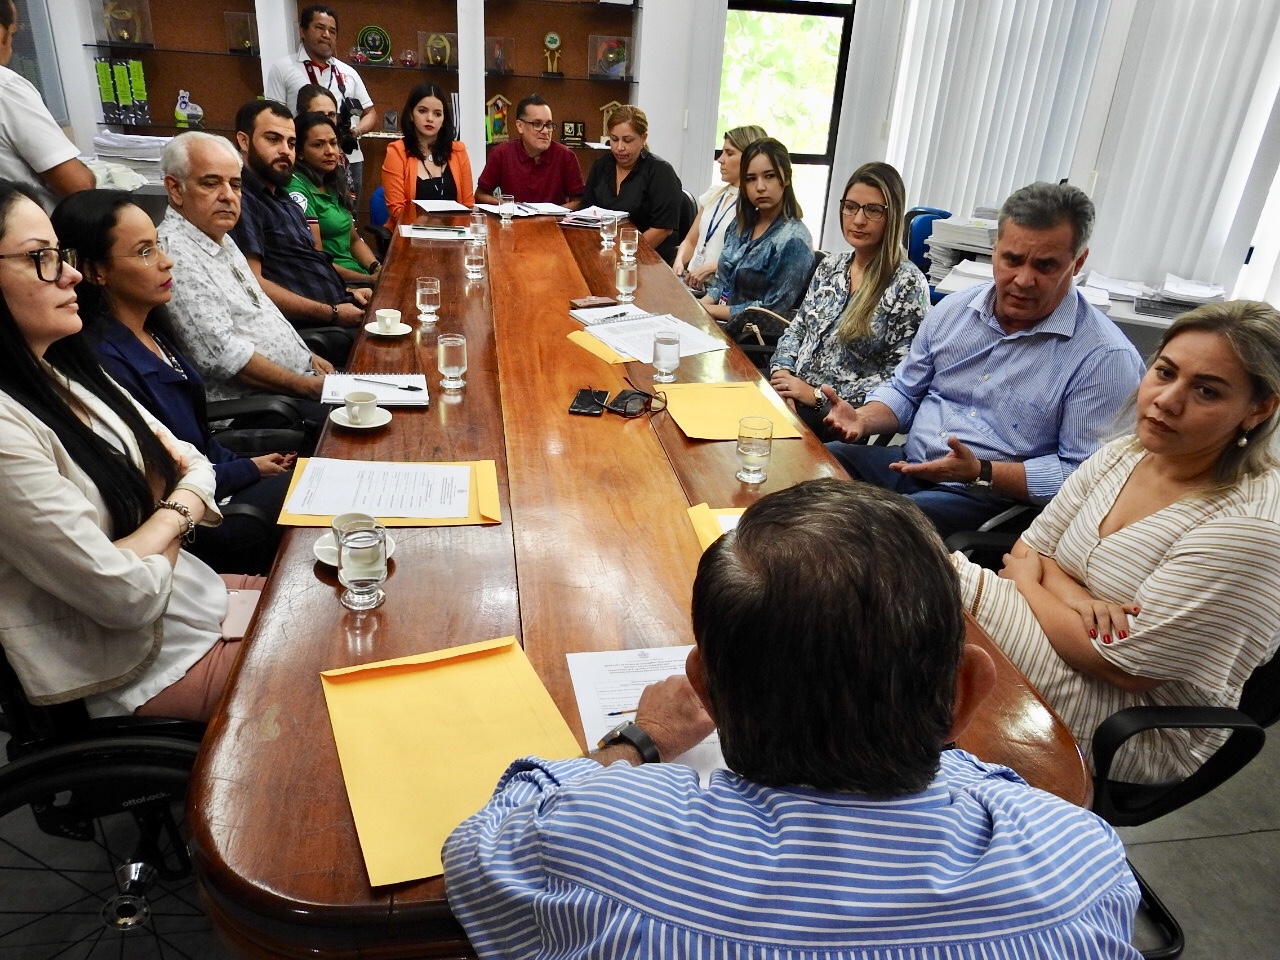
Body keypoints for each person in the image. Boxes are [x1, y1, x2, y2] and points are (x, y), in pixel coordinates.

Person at [444, 479, 1142, 960]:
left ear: (705, 694)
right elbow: (987, 784)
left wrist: (638, 740)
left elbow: (476, 846)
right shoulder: (1082, 865)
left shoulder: (599, 837)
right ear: (965, 696)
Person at [956, 301, 1280, 785]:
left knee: (924, 592)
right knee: (899, 592)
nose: (1166, 400)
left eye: (1207, 391)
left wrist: (1030, 582)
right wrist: (1077, 598)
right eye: (1164, 372)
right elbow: (1030, 551)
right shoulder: (1124, 454)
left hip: (1129, 718)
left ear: (1258, 409)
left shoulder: (1248, 529)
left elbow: (1123, 665)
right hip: (1069, 645)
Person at [0, 179, 252, 722]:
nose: (68, 274)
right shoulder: (5, 432)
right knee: (338, 666)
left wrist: (156, 524)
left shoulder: (65, 368)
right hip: (141, 665)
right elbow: (125, 598)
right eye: (40, 258)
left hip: (192, 601)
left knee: (353, 605)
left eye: (60, 255)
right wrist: (181, 511)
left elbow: (194, 462)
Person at [824, 181, 1145, 539]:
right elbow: (905, 390)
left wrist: (982, 470)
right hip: (910, 464)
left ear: (1078, 262)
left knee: (860, 529)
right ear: (995, 250)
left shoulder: (1104, 359)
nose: (1023, 280)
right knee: (812, 466)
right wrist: (864, 418)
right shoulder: (954, 310)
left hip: (988, 498)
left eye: (1045, 265)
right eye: (1012, 259)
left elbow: (1082, 477)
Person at [52, 189, 295, 576]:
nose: (167, 263)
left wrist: (247, 463)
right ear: (96, 270)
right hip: (195, 520)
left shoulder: (153, 330)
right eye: (145, 252)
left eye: (159, 246)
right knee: (320, 498)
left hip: (216, 481)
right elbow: (164, 476)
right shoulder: (104, 360)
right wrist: (248, 470)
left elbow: (197, 438)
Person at [157, 131, 332, 412]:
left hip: (298, 385)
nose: (228, 196)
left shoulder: (219, 235)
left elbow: (261, 311)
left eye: (235, 185)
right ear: (176, 189)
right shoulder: (175, 255)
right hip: (263, 410)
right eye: (211, 183)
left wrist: (307, 356)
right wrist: (305, 385)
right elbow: (222, 356)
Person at [769, 162, 929, 441]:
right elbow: (798, 329)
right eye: (851, 207)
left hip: (837, 414)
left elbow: (899, 378)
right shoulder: (831, 265)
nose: (858, 219)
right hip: (792, 389)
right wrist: (782, 373)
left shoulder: (907, 283)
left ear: (892, 217)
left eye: (873, 210)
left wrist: (815, 396)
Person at [230, 100, 367, 356]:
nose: (285, 151)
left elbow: (307, 262)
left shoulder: (283, 197)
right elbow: (254, 285)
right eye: (273, 140)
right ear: (244, 141)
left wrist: (349, 292)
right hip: (317, 330)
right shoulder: (243, 200)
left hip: (341, 307)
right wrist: (334, 312)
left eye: (291, 143)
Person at [701, 137, 813, 329]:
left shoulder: (793, 240)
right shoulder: (741, 224)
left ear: (785, 177)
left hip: (750, 339)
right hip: (717, 324)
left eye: (769, 176)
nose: (760, 187)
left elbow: (771, 311)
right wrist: (698, 306)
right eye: (751, 179)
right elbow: (721, 284)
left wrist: (706, 311)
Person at [264, 3, 376, 195]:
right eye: (319, 28)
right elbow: (274, 117)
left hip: (348, 157)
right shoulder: (284, 68)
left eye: (332, 31)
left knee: (348, 216)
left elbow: (371, 113)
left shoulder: (348, 72)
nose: (326, 35)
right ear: (303, 31)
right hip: (303, 159)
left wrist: (356, 131)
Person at [0, 0, 94, 212]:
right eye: (13, 34)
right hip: (27, 234)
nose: (12, 47)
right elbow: (78, 186)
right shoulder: (6, 86)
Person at [580, 105, 684, 264]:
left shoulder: (660, 171)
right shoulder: (601, 166)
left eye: (627, 140)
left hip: (649, 260)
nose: (619, 147)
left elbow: (662, 229)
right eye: (614, 140)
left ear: (643, 138)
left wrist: (623, 254)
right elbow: (586, 211)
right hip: (604, 254)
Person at [673, 124, 767, 294]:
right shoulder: (714, 194)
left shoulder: (756, 205)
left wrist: (713, 267)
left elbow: (752, 264)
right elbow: (691, 241)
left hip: (720, 292)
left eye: (729, 153)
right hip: (691, 286)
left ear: (750, 158)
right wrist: (679, 262)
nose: (720, 159)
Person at [288, 112, 381, 284]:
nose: (330, 151)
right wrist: (369, 279)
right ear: (299, 151)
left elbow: (353, 240)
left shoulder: (332, 181)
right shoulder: (297, 189)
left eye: (333, 143)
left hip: (358, 275)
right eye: (318, 145)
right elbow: (317, 260)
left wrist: (376, 268)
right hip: (335, 283)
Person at [381, 81, 475, 223]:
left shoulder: (458, 151)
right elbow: (397, 211)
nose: (430, 118)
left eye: (437, 114)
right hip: (411, 237)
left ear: (444, 120)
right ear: (411, 115)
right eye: (422, 111)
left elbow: (468, 206)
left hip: (454, 238)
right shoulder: (397, 152)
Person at [475, 94, 584, 207]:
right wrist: (508, 206)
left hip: (553, 222)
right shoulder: (501, 153)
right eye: (537, 124)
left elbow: (579, 201)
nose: (545, 131)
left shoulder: (566, 156)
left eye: (549, 124)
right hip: (514, 221)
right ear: (520, 126)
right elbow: (480, 195)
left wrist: (552, 215)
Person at [295, 83, 355, 212]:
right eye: (319, 114)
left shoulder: (341, 158)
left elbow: (350, 211)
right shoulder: (295, 178)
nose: (326, 120)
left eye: (332, 115)